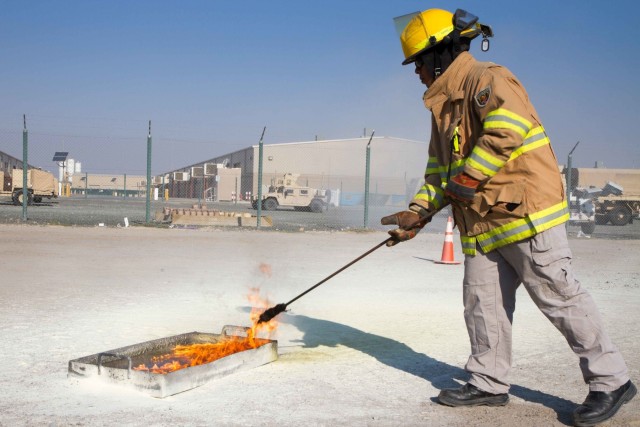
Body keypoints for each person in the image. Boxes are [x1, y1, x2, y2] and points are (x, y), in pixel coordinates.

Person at [383, 8, 636, 427]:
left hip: (524, 211)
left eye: (419, 63)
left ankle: (612, 381)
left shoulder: (489, 78)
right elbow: (439, 173)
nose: (417, 73)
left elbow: (507, 129)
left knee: (559, 297)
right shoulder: (443, 109)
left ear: (442, 54)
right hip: (482, 222)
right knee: (482, 304)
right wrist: (417, 213)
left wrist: (468, 176)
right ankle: (487, 383)